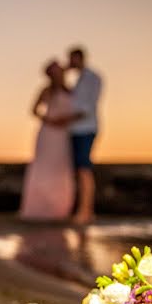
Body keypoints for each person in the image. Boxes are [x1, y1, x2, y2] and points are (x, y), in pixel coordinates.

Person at [19, 60, 76, 221]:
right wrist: (49, 120)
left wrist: (66, 120)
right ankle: (38, 208)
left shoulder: (71, 91)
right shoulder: (46, 90)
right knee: (44, 168)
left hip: (63, 133)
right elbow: (34, 110)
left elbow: (79, 111)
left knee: (60, 169)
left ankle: (59, 209)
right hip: (48, 132)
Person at [65, 46, 102, 225]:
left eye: (71, 59)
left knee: (83, 168)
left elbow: (86, 108)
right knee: (79, 170)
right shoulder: (78, 80)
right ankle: (83, 209)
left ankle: (86, 211)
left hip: (85, 128)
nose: (69, 63)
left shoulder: (92, 78)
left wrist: (62, 119)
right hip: (76, 129)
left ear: (79, 58)